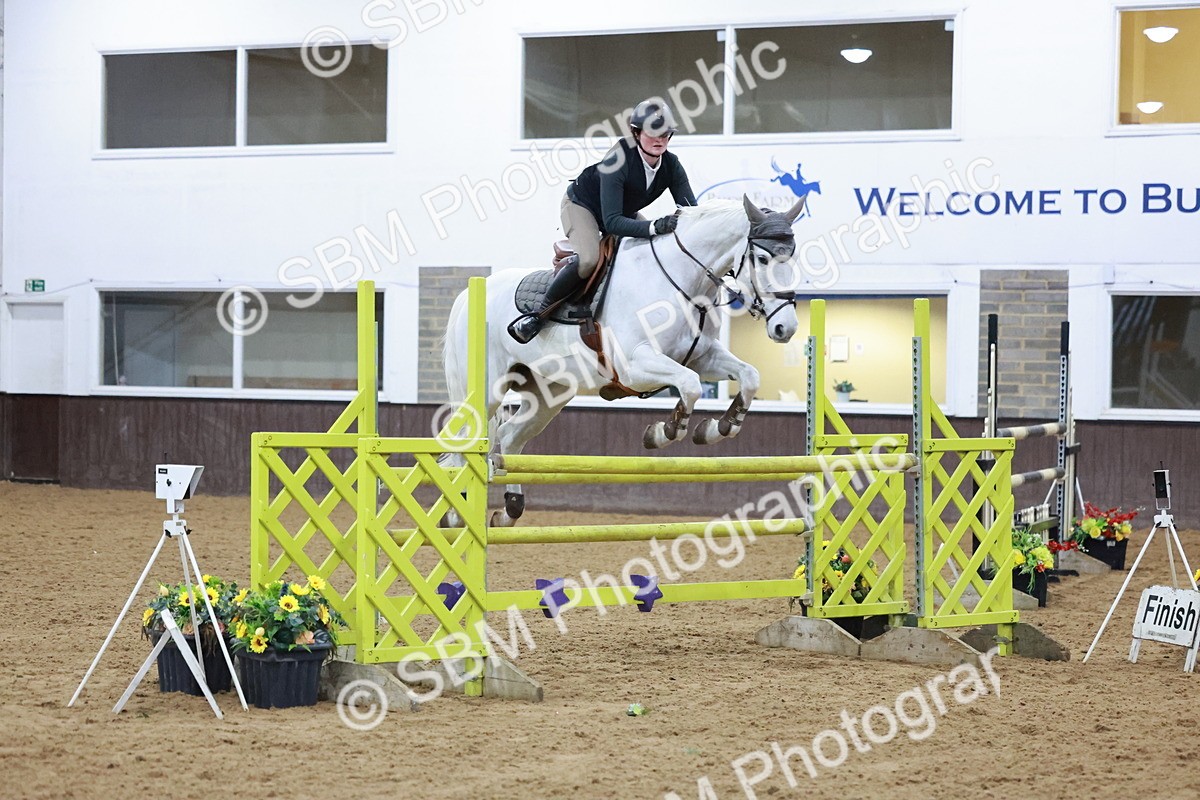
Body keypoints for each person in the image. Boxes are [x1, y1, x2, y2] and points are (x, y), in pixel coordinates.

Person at [507, 98, 698, 343]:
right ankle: (538, 315)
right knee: (589, 259)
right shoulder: (616, 160)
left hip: (620, 211)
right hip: (582, 206)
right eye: (652, 133)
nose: (659, 139)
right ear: (637, 133)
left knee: (651, 252)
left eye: (665, 133)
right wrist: (653, 226)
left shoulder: (671, 165)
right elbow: (612, 224)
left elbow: (691, 209)